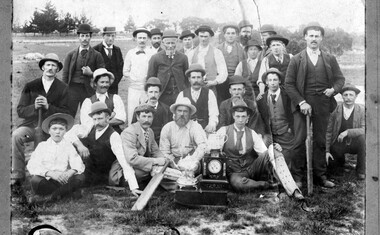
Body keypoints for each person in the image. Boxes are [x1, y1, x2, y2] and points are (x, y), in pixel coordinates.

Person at [285, 22, 345, 188]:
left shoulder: (329, 58)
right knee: (299, 140)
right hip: (302, 104)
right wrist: (302, 102)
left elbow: (340, 79)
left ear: (321, 38)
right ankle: (297, 177)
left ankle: (321, 176)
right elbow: (288, 84)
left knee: (320, 141)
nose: (313, 39)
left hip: (322, 104)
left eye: (317, 36)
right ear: (305, 37)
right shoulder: (297, 59)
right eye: (310, 35)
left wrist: (333, 90)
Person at [216, 99, 303, 200]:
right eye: (238, 116)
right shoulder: (223, 131)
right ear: (233, 116)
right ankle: (266, 185)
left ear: (247, 118)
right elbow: (214, 153)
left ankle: (293, 190)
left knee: (273, 152)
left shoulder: (252, 133)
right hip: (234, 172)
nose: (240, 120)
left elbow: (264, 153)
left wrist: (273, 148)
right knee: (238, 184)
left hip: (251, 169)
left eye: (243, 116)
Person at [12, 53, 70, 186]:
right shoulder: (31, 85)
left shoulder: (63, 88)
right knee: (17, 135)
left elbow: (66, 112)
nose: (50, 68)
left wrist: (48, 107)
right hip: (31, 127)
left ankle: (47, 174)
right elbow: (20, 110)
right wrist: (34, 107)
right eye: (48, 65)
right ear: (43, 67)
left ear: (57, 69)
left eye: (53, 65)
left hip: (52, 128)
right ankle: (18, 174)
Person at [65, 102, 140, 196]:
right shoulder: (90, 127)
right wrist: (80, 145)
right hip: (87, 169)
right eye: (94, 119)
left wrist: (134, 187)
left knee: (75, 182)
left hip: (101, 175)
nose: (97, 122)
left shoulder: (114, 136)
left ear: (108, 118)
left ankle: (55, 195)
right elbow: (68, 133)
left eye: (100, 119)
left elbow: (124, 162)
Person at [26, 113, 85, 203]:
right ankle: (67, 194)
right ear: (49, 131)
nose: (57, 132)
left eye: (61, 129)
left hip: (63, 180)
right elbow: (32, 165)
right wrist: (50, 173)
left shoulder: (68, 145)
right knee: (35, 180)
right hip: (47, 180)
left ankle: (50, 198)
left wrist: (70, 172)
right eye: (54, 128)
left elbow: (77, 162)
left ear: (65, 131)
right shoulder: (42, 146)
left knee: (81, 177)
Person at [62, 23, 105, 117]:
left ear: (90, 37)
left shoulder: (97, 55)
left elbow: (103, 74)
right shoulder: (71, 54)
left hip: (88, 89)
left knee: (87, 115)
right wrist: (64, 90)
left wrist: (91, 73)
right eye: (82, 36)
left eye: (87, 36)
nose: (85, 38)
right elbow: (65, 74)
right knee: (69, 114)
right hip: (72, 89)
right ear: (78, 37)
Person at [121, 104, 169, 185]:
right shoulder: (129, 132)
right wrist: (156, 161)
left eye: (149, 117)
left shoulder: (149, 131)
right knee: (146, 171)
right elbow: (132, 159)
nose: (146, 120)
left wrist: (164, 160)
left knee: (162, 168)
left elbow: (156, 151)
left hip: (141, 164)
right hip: (127, 168)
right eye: (143, 116)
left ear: (153, 118)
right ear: (137, 117)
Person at [325, 84, 365, 180]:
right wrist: (327, 150)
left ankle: (361, 170)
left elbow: (364, 129)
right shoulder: (335, 110)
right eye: (345, 95)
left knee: (363, 139)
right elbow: (329, 131)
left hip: (354, 143)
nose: (348, 98)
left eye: (351, 95)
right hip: (339, 143)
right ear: (342, 96)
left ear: (356, 96)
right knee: (334, 171)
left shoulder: (362, 110)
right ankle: (340, 163)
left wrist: (347, 132)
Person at [256, 68, 295, 167]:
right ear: (266, 82)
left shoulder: (288, 96)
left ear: (280, 81)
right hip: (270, 136)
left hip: (286, 134)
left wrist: (291, 128)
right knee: (269, 159)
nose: (272, 83)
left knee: (287, 159)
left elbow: (294, 114)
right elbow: (260, 118)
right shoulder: (261, 99)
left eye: (275, 80)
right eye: (270, 80)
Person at [147, 29, 189, 106]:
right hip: (162, 95)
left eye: (172, 43)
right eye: (168, 43)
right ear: (163, 43)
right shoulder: (155, 58)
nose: (170, 46)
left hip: (178, 94)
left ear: (176, 42)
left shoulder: (183, 58)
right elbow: (150, 78)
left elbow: (187, 78)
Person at [160, 97, 207, 165]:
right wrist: (174, 162)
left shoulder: (196, 127)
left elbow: (203, 146)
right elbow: (164, 151)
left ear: (190, 114)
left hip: (191, 162)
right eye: (179, 111)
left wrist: (191, 160)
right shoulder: (167, 128)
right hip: (172, 162)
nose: (182, 114)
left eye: (185, 111)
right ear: (175, 113)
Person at [187, 25, 228, 102]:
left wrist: (215, 82)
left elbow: (223, 71)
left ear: (210, 37)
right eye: (201, 36)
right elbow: (187, 71)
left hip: (211, 88)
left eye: (206, 36)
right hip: (194, 88)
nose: (203, 39)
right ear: (198, 36)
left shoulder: (217, 52)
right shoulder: (191, 53)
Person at [123, 27, 154, 125]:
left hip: (147, 89)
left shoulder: (152, 53)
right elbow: (125, 71)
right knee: (132, 111)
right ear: (135, 39)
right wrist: (133, 77)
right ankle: (131, 134)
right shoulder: (130, 53)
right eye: (139, 38)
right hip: (134, 89)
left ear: (148, 39)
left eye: (144, 38)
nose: (142, 40)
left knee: (147, 113)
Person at [175, 64, 219, 133]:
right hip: (187, 131)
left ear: (202, 78)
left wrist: (211, 125)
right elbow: (177, 116)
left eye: (198, 77)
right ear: (189, 79)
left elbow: (214, 114)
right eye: (193, 77)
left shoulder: (209, 93)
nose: (196, 80)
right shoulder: (182, 94)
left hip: (205, 130)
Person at [80, 68, 126, 134]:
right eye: (102, 82)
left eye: (107, 82)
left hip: (114, 132)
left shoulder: (115, 98)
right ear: (95, 83)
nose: (105, 85)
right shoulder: (88, 101)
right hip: (95, 134)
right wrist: (110, 117)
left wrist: (99, 121)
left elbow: (121, 119)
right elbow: (86, 122)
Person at [132, 77, 172, 144]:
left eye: (156, 92)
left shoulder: (166, 109)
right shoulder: (138, 109)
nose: (153, 95)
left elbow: (169, 131)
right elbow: (133, 129)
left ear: (159, 93)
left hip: (161, 142)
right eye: (151, 92)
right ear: (146, 93)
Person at [217, 24, 246, 103]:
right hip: (221, 81)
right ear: (224, 35)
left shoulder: (241, 49)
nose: (230, 36)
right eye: (228, 33)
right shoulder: (217, 49)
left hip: (236, 80)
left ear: (236, 35)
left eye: (233, 33)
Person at [257, 35, 291, 100]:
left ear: (283, 46)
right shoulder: (266, 60)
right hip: (272, 90)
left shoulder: (290, 57)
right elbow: (261, 79)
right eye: (273, 45)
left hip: (288, 90)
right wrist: (261, 92)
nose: (276, 48)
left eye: (278, 45)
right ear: (270, 47)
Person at [93, 26, 124, 94]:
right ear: (103, 36)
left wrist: (113, 82)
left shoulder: (117, 50)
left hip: (114, 88)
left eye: (113, 36)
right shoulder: (95, 49)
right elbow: (93, 69)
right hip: (99, 88)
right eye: (108, 35)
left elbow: (121, 69)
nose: (110, 38)